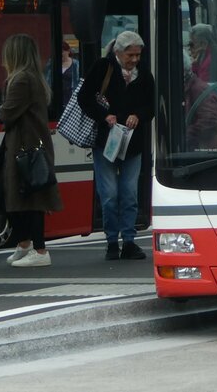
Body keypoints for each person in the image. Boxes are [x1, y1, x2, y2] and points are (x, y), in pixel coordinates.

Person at [80, 29, 154, 261]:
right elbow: (84, 98)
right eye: (130, 55)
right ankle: (112, 240)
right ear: (119, 53)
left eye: (138, 55)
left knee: (129, 193)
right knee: (109, 193)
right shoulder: (103, 68)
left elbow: (151, 105)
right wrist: (104, 115)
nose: (134, 60)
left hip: (132, 143)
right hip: (106, 141)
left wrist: (138, 116)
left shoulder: (144, 75)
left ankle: (129, 241)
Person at [0, 34, 63, 268]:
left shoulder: (21, 80)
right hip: (31, 145)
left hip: (26, 146)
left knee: (31, 197)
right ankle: (25, 244)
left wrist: (2, 109)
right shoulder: (32, 77)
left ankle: (39, 249)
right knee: (24, 194)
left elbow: (7, 113)